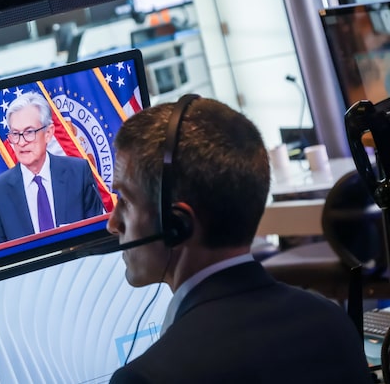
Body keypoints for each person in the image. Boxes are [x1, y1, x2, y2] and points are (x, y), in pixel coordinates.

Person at [106, 95, 372, 384]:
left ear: (176, 224)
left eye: (125, 201)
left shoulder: (146, 378)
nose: (112, 223)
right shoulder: (332, 323)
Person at [0, 91, 105, 246]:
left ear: (48, 133)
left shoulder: (78, 173)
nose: (21, 142)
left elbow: (98, 239)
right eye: (15, 134)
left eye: (29, 132)